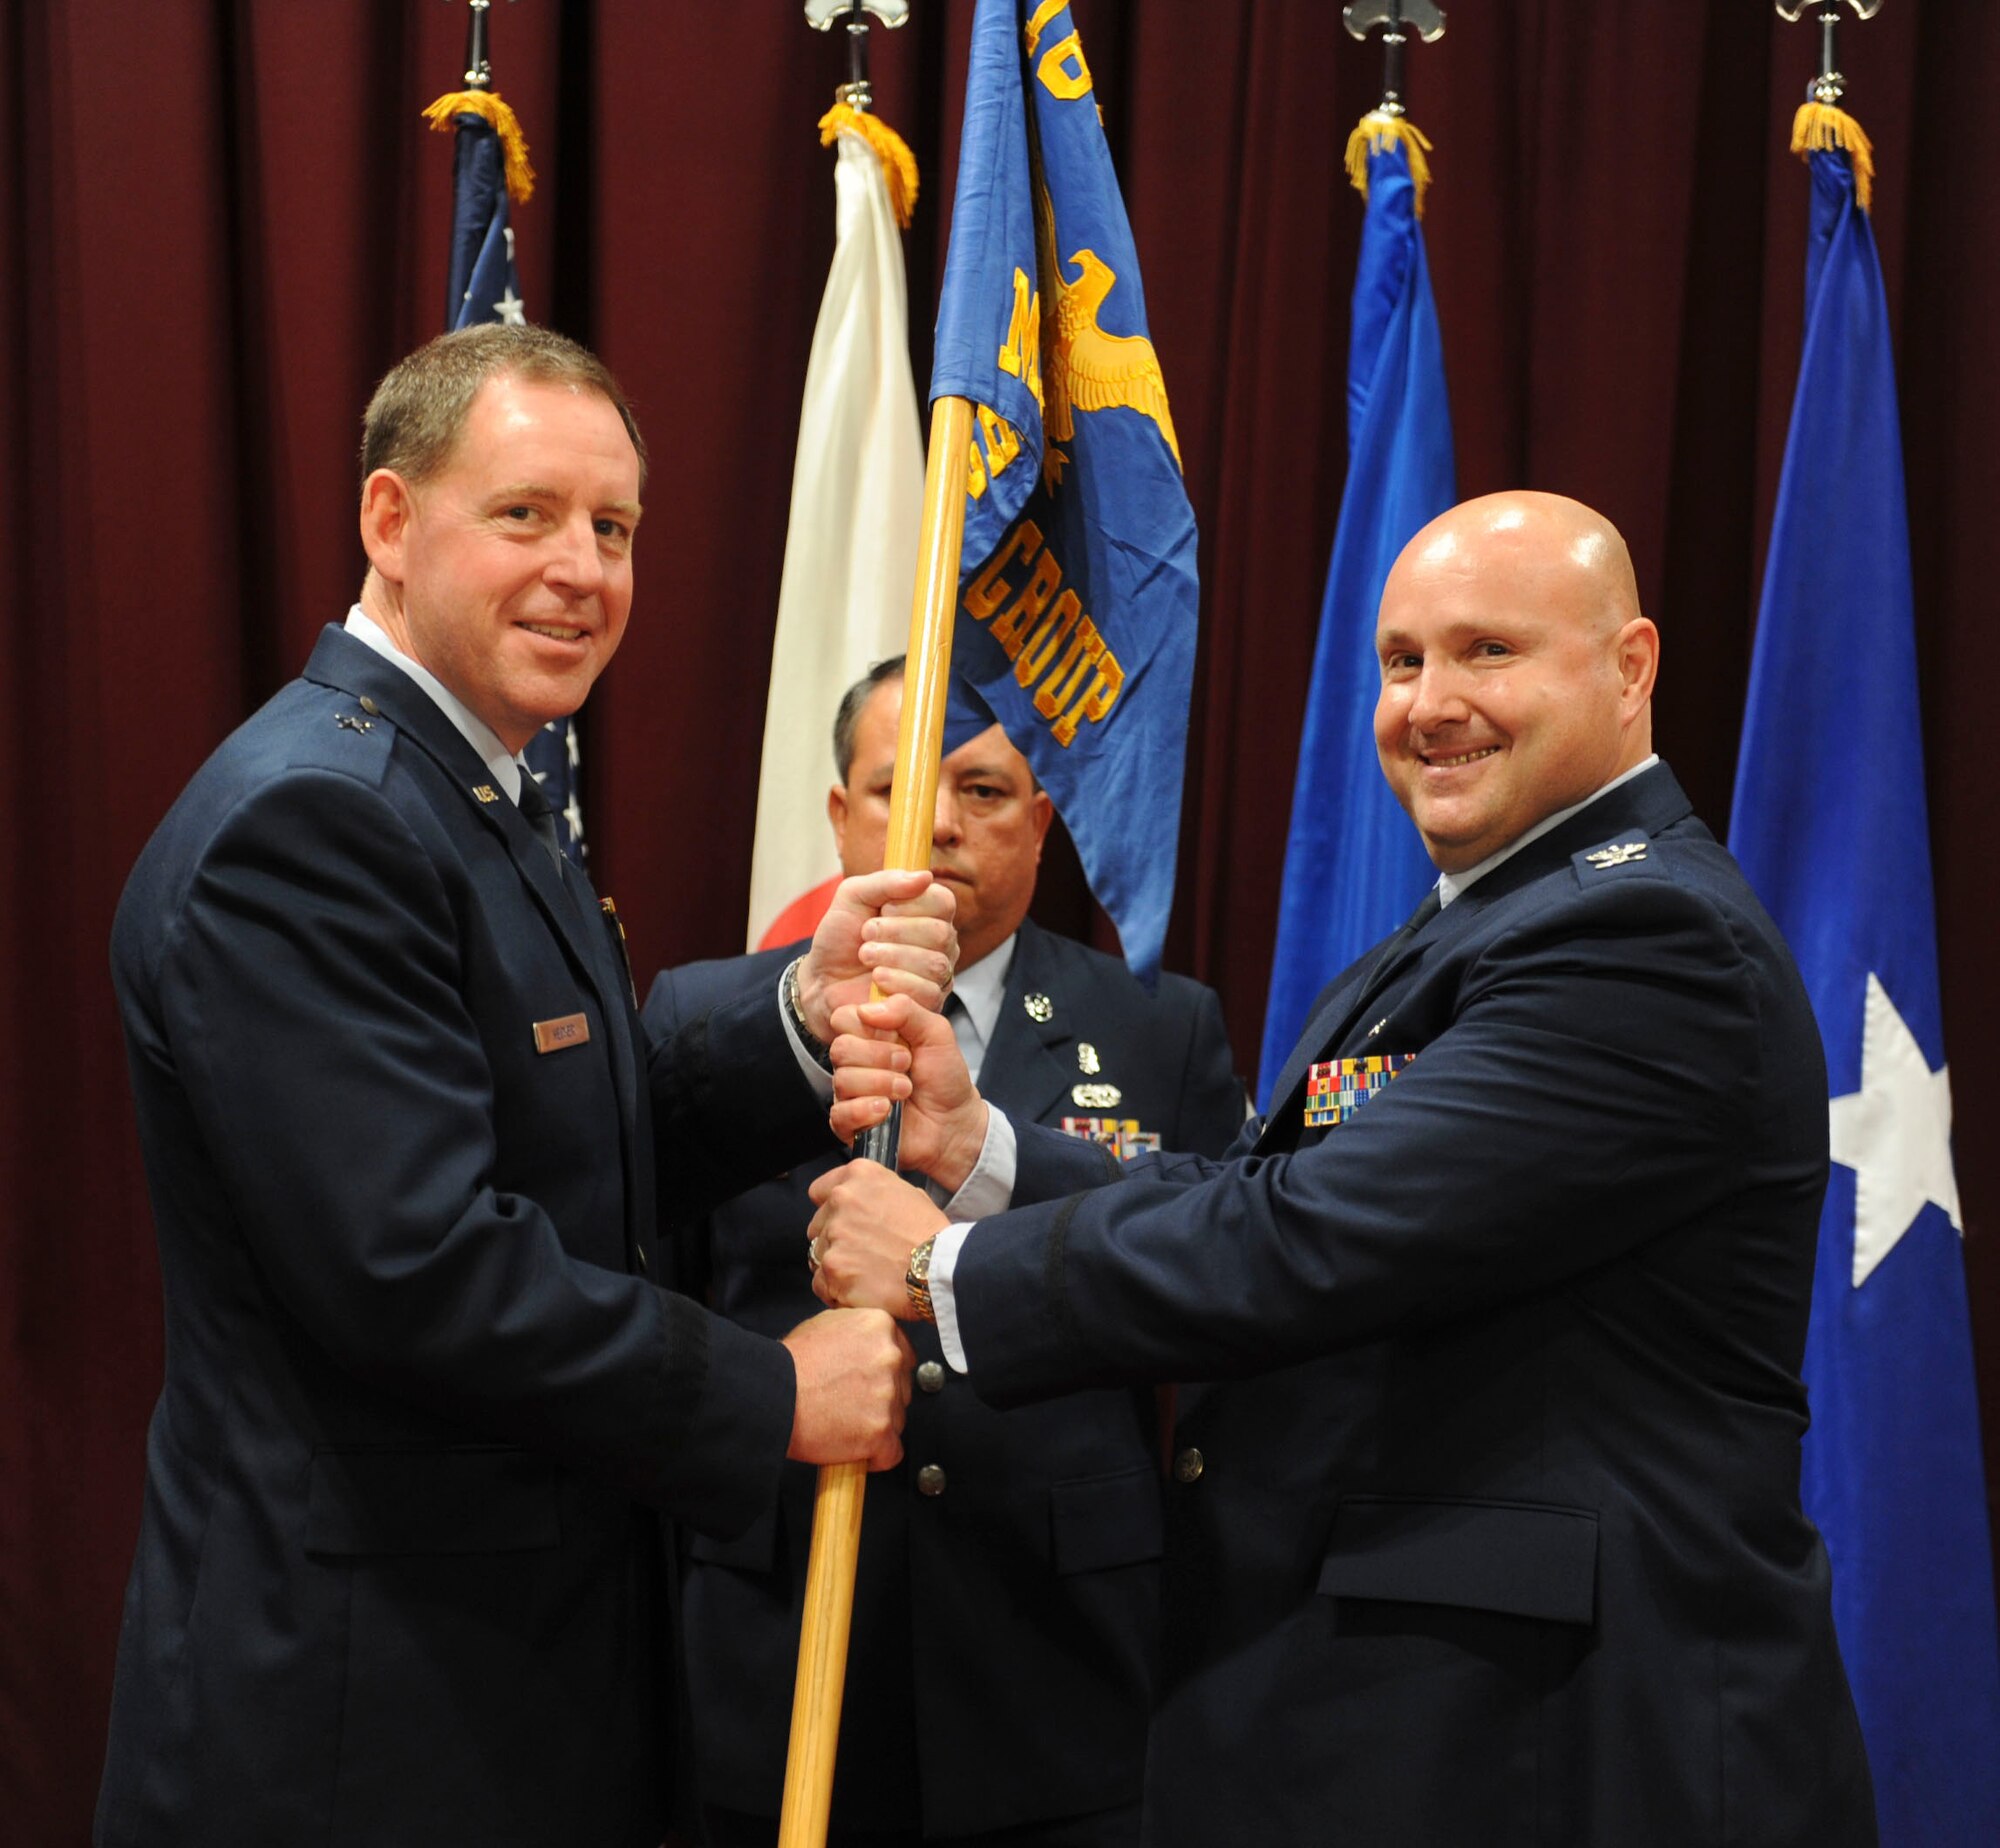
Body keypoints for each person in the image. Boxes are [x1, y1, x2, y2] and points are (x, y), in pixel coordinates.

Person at [809, 493, 1878, 1846]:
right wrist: (983, 1157)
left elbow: (1307, 1242)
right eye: (1402, 660)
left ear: (1631, 668)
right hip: (1415, 1722)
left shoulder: (1645, 940)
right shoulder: (1474, 929)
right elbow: (1266, 1196)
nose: (1431, 703)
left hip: (1556, 1743)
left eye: (1489, 651)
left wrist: (931, 1266)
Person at [96, 325, 949, 1848]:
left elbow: (576, 1143)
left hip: (503, 1675)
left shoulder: (471, 788)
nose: (583, 569)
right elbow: (423, 1270)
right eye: (527, 513)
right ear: (389, 522)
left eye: (613, 528)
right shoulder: (319, 822)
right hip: (368, 1717)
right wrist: (771, 1394)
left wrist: (800, 1020)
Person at [649, 657, 1246, 1848]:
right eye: (892, 786)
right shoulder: (706, 1019)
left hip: (1054, 1645)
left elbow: (1217, 1284)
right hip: (778, 1632)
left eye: (980, 790)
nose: (933, 823)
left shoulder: (1158, 1025)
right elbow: (656, 1304)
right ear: (837, 816)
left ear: (1040, 819)